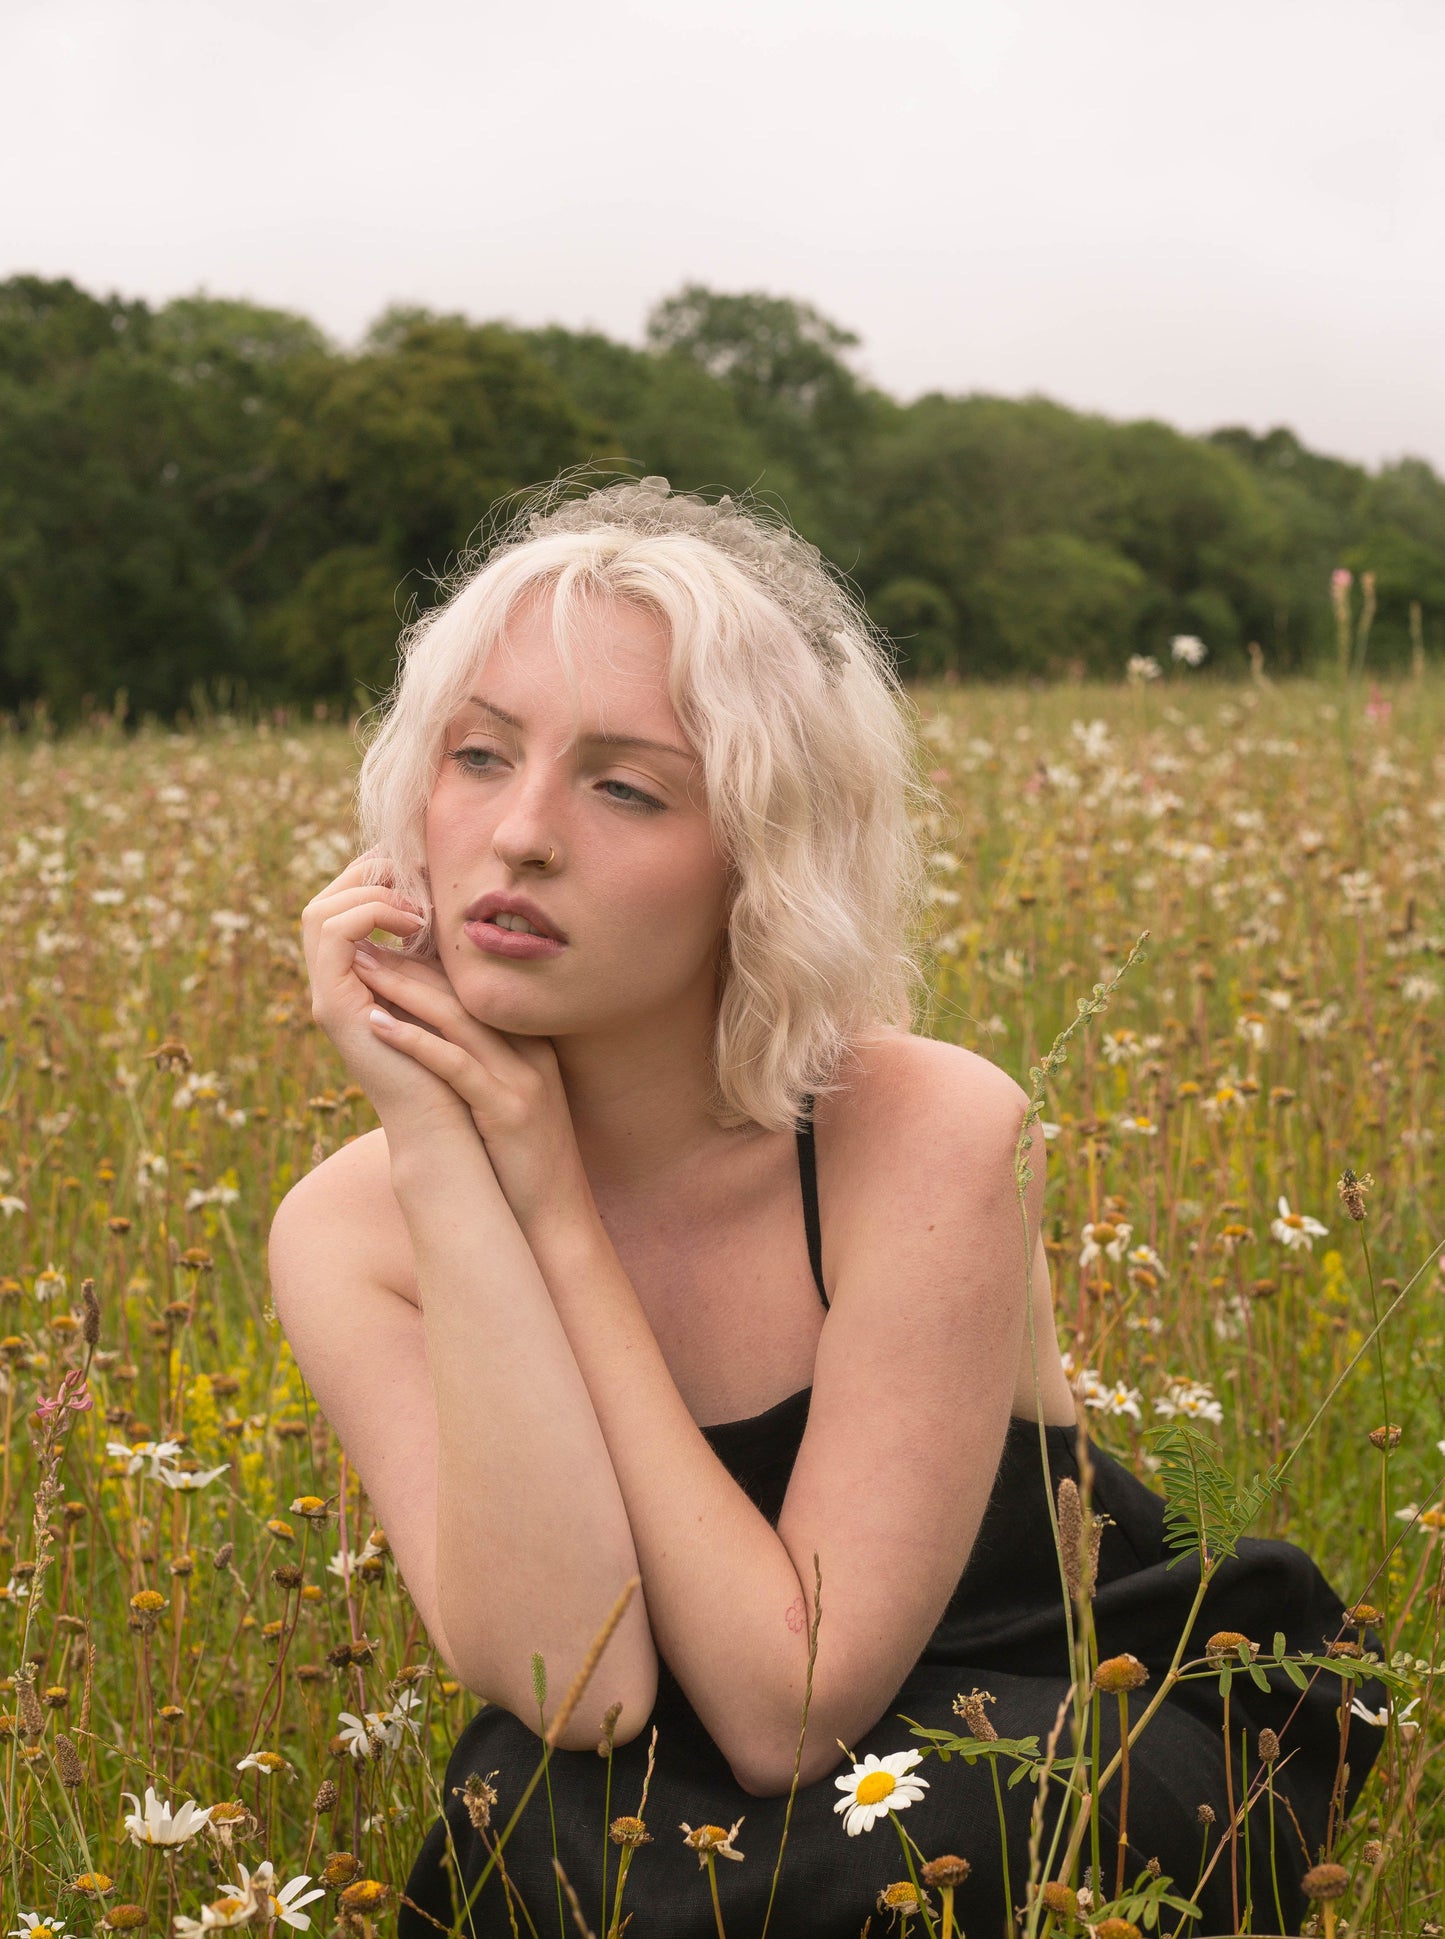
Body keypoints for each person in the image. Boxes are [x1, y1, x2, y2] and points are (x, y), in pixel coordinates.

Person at [271, 476, 1381, 1938]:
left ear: (762, 860)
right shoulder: (353, 1233)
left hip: (1041, 1706)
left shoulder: (921, 1131)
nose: (520, 834)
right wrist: (440, 1141)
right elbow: (582, 1687)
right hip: (656, 1757)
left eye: (625, 787)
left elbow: (787, 1715)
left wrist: (554, 1214)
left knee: (904, 1854)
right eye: (477, 757)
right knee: (533, 1840)